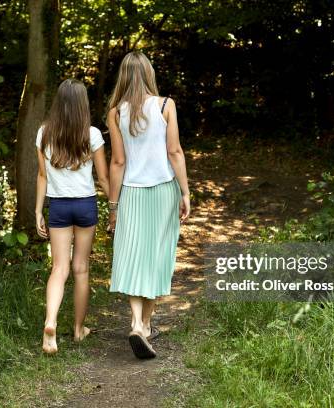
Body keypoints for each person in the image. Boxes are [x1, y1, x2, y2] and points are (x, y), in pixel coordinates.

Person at [106, 51, 191, 359]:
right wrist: (185, 192)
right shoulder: (166, 106)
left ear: (124, 77)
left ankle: (136, 321)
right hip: (164, 190)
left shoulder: (115, 113)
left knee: (133, 254)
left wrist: (113, 206)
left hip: (131, 191)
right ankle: (145, 325)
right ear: (149, 74)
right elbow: (175, 152)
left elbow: (117, 162)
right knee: (157, 254)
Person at [35, 79, 110, 354]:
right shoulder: (91, 134)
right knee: (80, 269)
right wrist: (115, 205)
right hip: (85, 205)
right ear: (82, 105)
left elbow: (42, 176)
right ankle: (79, 330)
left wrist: (37, 211)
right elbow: (102, 177)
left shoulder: (44, 133)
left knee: (59, 269)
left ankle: (50, 323)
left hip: (58, 207)